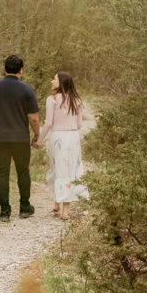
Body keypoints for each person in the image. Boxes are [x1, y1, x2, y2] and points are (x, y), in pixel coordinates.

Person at [0, 55, 40, 222]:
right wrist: (37, 134)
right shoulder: (27, 89)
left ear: (4, 69)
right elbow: (33, 118)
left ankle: (5, 211)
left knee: (2, 173)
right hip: (20, 138)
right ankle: (25, 208)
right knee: (23, 171)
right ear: (21, 70)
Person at [36, 71, 89, 221]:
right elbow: (79, 124)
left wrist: (39, 141)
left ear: (61, 83)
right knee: (70, 171)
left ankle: (57, 204)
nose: (52, 81)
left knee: (57, 168)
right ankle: (64, 210)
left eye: (54, 79)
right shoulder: (77, 101)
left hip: (57, 138)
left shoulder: (52, 100)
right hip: (72, 138)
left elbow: (48, 123)